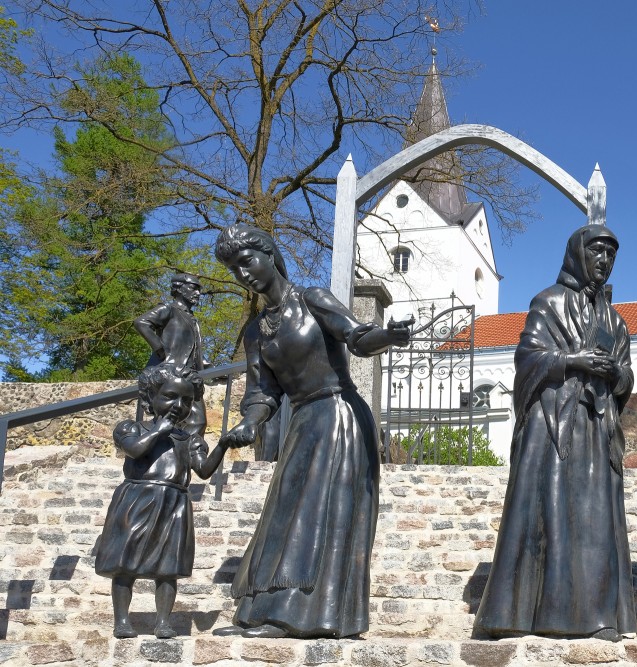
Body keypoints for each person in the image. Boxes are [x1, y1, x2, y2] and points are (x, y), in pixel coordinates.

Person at [212, 223, 410, 639]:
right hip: (303, 421)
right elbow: (261, 391)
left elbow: (356, 337)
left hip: (339, 415)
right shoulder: (255, 331)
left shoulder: (313, 298)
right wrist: (249, 423)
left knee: (320, 514)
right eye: (234, 269)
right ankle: (260, 610)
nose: (243, 273)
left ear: (269, 255)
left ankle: (297, 615)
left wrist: (387, 335)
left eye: (247, 261)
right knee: (284, 513)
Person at [474, 224, 635, 642]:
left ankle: (597, 616)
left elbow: (627, 377)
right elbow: (528, 356)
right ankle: (524, 612)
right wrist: (574, 360)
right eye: (597, 252)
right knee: (547, 519)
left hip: (596, 430)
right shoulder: (548, 302)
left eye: (611, 255)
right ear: (578, 254)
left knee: (594, 523)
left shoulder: (615, 322)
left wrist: (617, 373)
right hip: (553, 424)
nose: (604, 261)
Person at [94, 363, 228, 639]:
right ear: (148, 398)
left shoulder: (189, 439)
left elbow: (203, 470)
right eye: (170, 396)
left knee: (169, 567)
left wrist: (223, 444)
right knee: (124, 562)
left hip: (174, 502)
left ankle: (163, 622)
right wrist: (159, 430)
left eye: (187, 400)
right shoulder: (131, 427)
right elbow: (133, 450)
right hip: (137, 498)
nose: (179, 405)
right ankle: (122, 620)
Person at [134, 273, 208, 437]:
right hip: (169, 374)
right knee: (172, 419)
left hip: (188, 377)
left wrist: (203, 364)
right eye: (193, 288)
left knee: (198, 421)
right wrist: (159, 348)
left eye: (199, 290)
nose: (198, 293)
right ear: (179, 288)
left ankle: (184, 454)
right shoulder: (168, 310)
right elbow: (141, 322)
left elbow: (191, 346)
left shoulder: (192, 319)